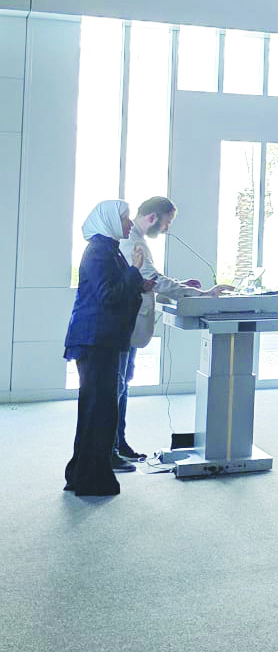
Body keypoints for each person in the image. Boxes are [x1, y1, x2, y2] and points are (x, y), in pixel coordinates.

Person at [116, 196, 230, 465]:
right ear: (153, 217)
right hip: (124, 323)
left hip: (130, 323)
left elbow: (149, 279)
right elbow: (153, 280)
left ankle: (118, 443)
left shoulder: (137, 239)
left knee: (122, 384)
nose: (167, 229)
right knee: (117, 386)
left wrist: (182, 286)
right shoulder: (131, 241)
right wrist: (201, 294)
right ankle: (113, 447)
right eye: (167, 223)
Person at [63, 201, 155, 496]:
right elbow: (108, 295)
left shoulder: (108, 249)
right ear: (109, 221)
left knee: (97, 410)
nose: (129, 223)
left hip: (102, 340)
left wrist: (138, 283)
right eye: (125, 218)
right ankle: (90, 480)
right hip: (96, 341)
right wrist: (135, 270)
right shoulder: (99, 251)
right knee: (99, 411)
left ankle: (82, 475)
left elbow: (116, 288)